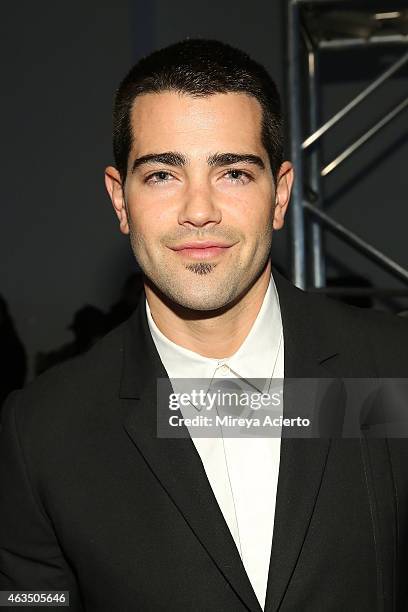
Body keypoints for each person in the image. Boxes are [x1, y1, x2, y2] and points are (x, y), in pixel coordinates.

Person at [1, 38, 408, 612]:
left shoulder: (393, 372)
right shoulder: (43, 430)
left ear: (280, 194)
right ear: (121, 200)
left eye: (234, 173)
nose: (199, 209)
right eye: (163, 174)